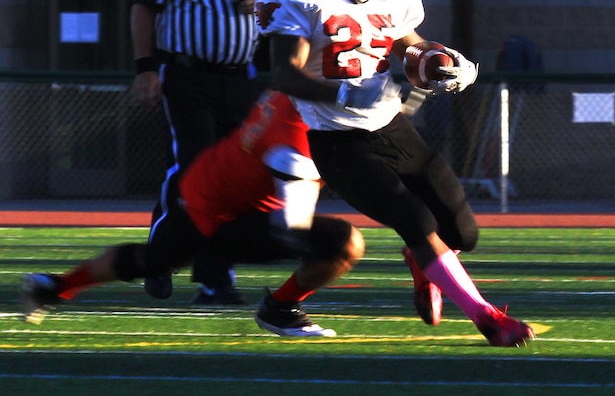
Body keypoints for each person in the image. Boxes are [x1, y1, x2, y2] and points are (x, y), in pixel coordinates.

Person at [255, 0, 535, 347]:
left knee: (462, 232)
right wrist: (341, 93)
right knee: (416, 220)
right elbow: (285, 75)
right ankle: (486, 318)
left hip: (393, 127)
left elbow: (411, 47)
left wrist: (443, 64)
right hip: (338, 141)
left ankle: (424, 264)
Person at [19, 91, 363, 338]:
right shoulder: (298, 130)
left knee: (151, 260)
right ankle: (281, 309)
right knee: (345, 244)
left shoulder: (291, 97)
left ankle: (55, 286)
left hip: (210, 191)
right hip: (225, 211)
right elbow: (291, 224)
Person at [130, 0, 282, 306]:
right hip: (188, 75)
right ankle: (158, 259)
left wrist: (261, 4)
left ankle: (215, 278)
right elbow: (143, 7)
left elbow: (281, 1)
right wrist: (145, 67)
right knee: (193, 170)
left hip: (240, 80)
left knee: (232, 180)